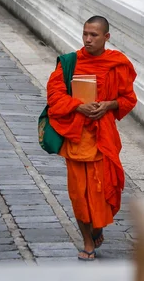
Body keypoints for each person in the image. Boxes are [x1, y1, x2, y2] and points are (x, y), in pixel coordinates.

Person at [46, 16, 137, 261]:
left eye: (94, 35)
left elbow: (129, 99)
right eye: (85, 33)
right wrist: (78, 106)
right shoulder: (69, 62)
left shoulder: (117, 64)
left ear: (106, 37)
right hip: (76, 138)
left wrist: (110, 104)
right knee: (79, 194)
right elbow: (54, 97)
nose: (87, 39)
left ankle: (97, 229)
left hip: (103, 138)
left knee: (103, 190)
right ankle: (87, 241)